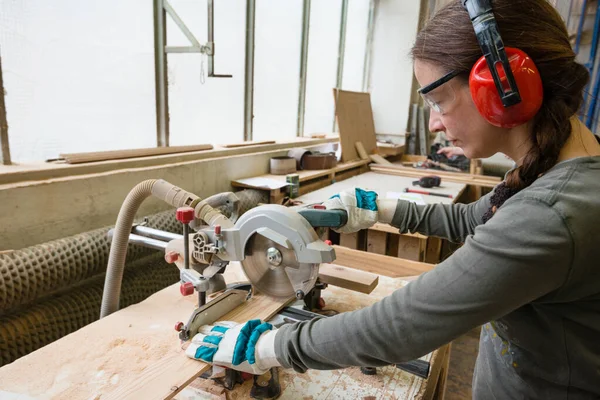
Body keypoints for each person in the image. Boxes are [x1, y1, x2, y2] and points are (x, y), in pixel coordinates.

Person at [185, 1, 600, 398]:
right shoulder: (558, 169)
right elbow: (475, 220)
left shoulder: (553, 213)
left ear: (503, 85)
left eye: (438, 101)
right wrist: (379, 210)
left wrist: (270, 347)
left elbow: (401, 327)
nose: (435, 123)